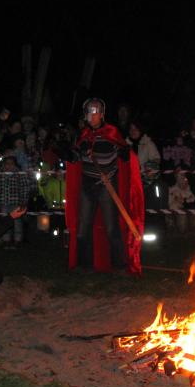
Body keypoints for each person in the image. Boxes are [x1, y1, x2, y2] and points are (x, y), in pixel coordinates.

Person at [65, 98, 144, 275]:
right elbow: (74, 158)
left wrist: (124, 152)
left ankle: (120, 265)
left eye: (95, 113)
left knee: (111, 228)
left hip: (107, 185)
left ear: (101, 114)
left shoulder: (112, 132)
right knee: (83, 227)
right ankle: (84, 265)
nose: (91, 117)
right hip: (87, 185)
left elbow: (124, 156)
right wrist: (72, 151)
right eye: (89, 113)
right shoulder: (83, 135)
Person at [0, 154, 35, 248]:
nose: (9, 166)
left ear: (15, 165)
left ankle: (18, 240)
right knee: (5, 222)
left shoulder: (20, 174)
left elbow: (25, 188)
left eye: (11, 164)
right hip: (3, 202)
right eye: (7, 164)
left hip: (16, 203)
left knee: (17, 222)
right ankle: (6, 240)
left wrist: (24, 202)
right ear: (4, 164)